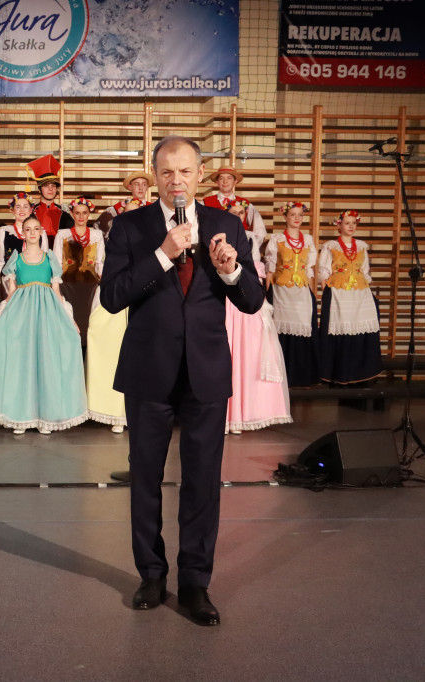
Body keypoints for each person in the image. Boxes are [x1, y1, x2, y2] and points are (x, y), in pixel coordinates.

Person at [100, 136, 264, 626]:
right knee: (146, 478)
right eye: (167, 172)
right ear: (155, 176)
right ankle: (151, 574)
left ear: (200, 174)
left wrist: (231, 270)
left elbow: (252, 301)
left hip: (206, 373)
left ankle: (195, 582)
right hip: (148, 372)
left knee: (201, 482)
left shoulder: (226, 224)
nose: (176, 181)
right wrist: (163, 255)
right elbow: (112, 297)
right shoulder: (130, 226)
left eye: (186, 171)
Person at [0, 218, 87, 435]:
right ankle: (20, 415)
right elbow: (12, 292)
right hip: (21, 311)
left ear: (41, 231)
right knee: (22, 361)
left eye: (36, 229)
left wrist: (68, 317)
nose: (32, 233)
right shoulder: (16, 259)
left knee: (46, 359)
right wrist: (0, 316)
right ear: (22, 233)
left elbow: (56, 290)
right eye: (28, 230)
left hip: (47, 311)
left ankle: (46, 415)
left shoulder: (50, 258)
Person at [221, 199, 292, 434]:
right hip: (225, 297)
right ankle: (224, 414)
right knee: (227, 350)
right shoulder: (220, 236)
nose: (238, 216)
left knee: (249, 352)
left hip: (246, 298)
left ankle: (245, 412)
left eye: (241, 213)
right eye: (233, 212)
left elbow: (253, 268)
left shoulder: (250, 237)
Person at [85, 200, 139, 434]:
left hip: (142, 300)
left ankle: (137, 411)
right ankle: (115, 412)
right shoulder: (113, 240)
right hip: (117, 298)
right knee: (112, 352)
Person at [317, 210, 382, 384]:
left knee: (361, 329)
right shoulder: (330, 246)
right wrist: (327, 294)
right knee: (342, 330)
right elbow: (324, 272)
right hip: (340, 293)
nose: (351, 226)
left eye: (354, 223)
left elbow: (365, 270)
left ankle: (362, 372)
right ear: (339, 225)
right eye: (347, 223)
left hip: (360, 293)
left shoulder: (361, 246)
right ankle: (342, 372)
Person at [264, 202, 319, 387]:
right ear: (285, 217)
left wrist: (312, 292)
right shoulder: (277, 239)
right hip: (282, 290)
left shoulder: (309, 241)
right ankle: (282, 373)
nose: (297, 218)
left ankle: (301, 375)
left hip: (301, 292)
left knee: (303, 331)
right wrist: (266, 293)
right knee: (281, 332)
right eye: (293, 214)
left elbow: (309, 269)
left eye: (300, 215)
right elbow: (270, 269)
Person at [52, 196, 103, 346]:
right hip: (68, 285)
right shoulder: (62, 234)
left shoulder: (96, 235)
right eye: (77, 213)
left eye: (84, 213)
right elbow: (56, 261)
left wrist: (102, 280)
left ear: (89, 214)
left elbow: (99, 261)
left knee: (88, 321)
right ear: (72, 214)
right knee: (68, 320)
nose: (81, 216)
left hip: (90, 285)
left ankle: (86, 351)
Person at [202, 167, 267, 261]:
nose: (225, 181)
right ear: (217, 182)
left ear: (235, 181)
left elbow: (259, 231)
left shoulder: (246, 204)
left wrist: (248, 248)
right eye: (221, 178)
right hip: (214, 253)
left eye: (229, 178)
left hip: (240, 254)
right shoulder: (206, 203)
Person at [0, 192, 47, 287]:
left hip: (33, 279)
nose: (22, 210)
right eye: (18, 207)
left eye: (25, 207)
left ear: (31, 210)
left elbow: (44, 257)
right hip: (10, 281)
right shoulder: (5, 232)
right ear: (12, 210)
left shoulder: (40, 232)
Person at [26, 154, 73, 246]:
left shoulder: (64, 213)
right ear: (39, 190)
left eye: (53, 186)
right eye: (46, 186)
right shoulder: (31, 213)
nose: (50, 189)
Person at [95, 171, 153, 236]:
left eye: (144, 184)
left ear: (147, 187)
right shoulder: (115, 209)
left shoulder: (153, 209)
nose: (141, 188)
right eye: (136, 184)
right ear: (130, 187)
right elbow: (98, 231)